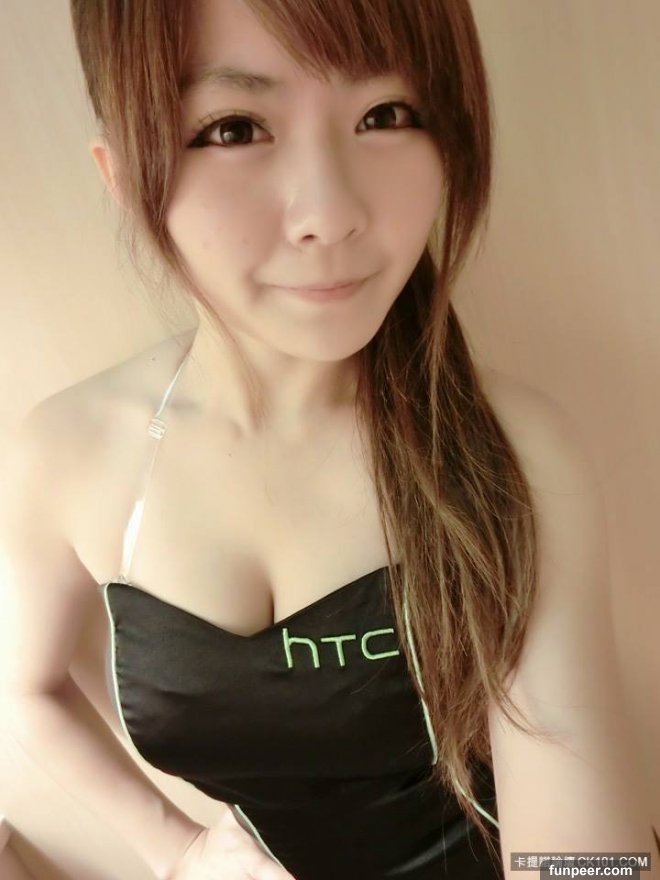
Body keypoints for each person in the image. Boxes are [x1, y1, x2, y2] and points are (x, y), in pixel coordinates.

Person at [1, 1, 657, 879]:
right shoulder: (68, 455)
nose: (332, 213)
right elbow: (27, 690)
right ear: (122, 175)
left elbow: (578, 820)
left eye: (385, 115)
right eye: (234, 129)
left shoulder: (510, 456)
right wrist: (178, 850)